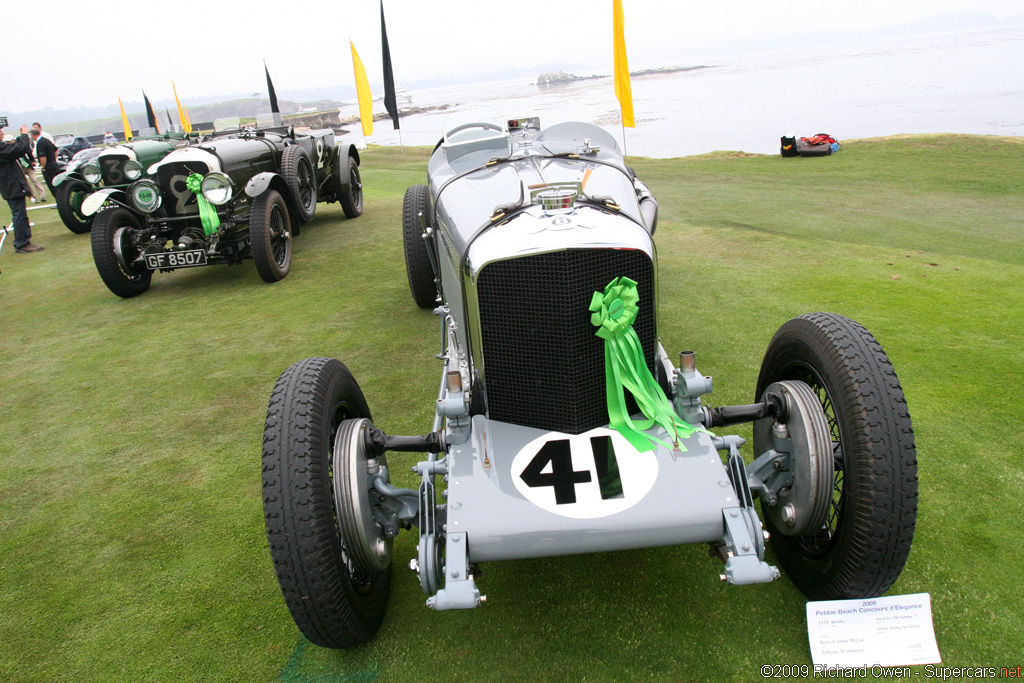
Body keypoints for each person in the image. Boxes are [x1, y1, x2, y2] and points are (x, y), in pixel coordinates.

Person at [1, 124, 44, 253]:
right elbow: (21, 148)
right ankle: (22, 243)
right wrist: (24, 134)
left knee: (19, 213)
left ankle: (23, 241)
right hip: (11, 185)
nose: (2, 133)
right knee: (19, 214)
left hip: (10, 184)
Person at [31, 128, 62, 195]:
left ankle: (59, 201)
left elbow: (43, 156)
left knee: (52, 186)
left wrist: (43, 166)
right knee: (58, 185)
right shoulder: (46, 140)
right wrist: (53, 159)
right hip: (54, 164)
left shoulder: (40, 143)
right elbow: (56, 150)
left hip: (48, 167)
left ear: (33, 135)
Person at [20, 137, 47, 203]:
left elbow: (29, 152)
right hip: (20, 168)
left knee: (35, 180)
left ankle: (43, 196)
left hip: (27, 166)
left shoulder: (20, 147)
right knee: (26, 183)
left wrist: (32, 161)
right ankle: (32, 197)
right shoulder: (9, 150)